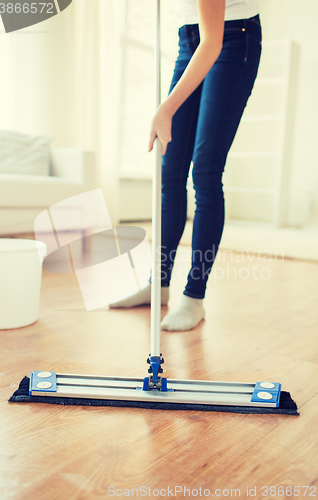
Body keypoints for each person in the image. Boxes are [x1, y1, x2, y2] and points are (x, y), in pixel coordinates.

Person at [110, 0, 262, 331]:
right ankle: (158, 285)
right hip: (189, 40)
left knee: (205, 171)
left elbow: (213, 41)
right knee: (170, 172)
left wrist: (165, 108)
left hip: (232, 38)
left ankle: (194, 298)